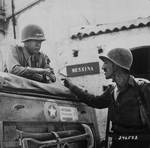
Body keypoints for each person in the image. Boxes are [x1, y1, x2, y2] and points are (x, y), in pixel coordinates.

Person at [62, 48, 150, 148]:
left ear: (116, 66)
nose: (103, 67)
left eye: (106, 63)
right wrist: (72, 87)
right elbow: (95, 101)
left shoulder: (143, 87)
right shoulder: (112, 90)